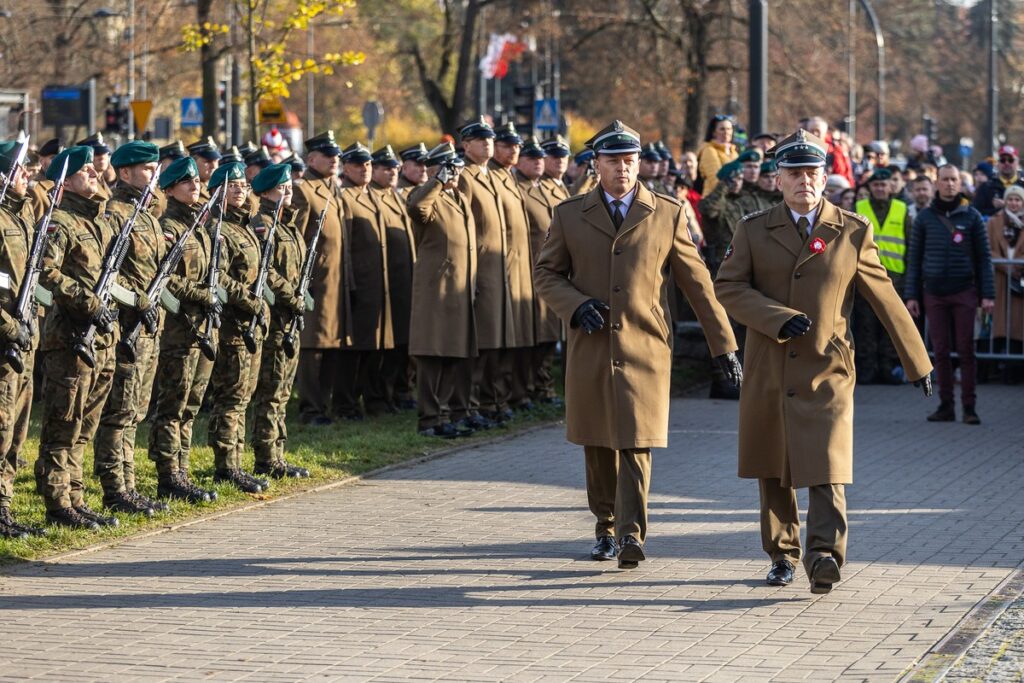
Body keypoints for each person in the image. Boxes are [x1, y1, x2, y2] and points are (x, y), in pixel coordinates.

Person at [715, 129, 933, 594]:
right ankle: (781, 553)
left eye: (812, 173)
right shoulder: (752, 228)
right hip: (769, 366)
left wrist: (918, 361)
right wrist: (775, 318)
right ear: (778, 179)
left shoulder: (851, 229)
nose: (804, 182)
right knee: (773, 465)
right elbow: (728, 287)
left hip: (827, 366)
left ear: (825, 177)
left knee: (827, 464)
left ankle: (825, 555)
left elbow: (884, 295)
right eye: (794, 173)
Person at [534, 120, 739, 570]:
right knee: (597, 444)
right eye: (613, 161)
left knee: (636, 442)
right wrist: (575, 303)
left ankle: (630, 534)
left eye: (630, 160)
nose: (623, 169)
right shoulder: (569, 214)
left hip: (645, 347)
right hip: (590, 346)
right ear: (596, 165)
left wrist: (723, 345)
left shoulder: (666, 212)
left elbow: (698, 284)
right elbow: (546, 273)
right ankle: (605, 524)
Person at [35, 146, 130, 529]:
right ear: (67, 180)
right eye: (85, 171)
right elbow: (45, 272)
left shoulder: (101, 221)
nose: (94, 175)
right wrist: (86, 301)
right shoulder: (59, 221)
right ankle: (58, 503)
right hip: (72, 337)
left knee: (86, 425)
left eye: (94, 170)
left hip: (104, 338)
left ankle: (75, 496)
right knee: (64, 423)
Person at [92, 141, 168, 517]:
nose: (155, 176)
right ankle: (114, 488)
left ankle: (130, 486)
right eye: (148, 170)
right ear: (124, 173)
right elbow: (107, 277)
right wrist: (137, 301)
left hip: (149, 328)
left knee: (136, 411)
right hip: (125, 328)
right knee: (119, 411)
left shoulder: (148, 215)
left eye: (155, 169)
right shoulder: (115, 214)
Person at [148, 156, 221, 504]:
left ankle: (183, 470)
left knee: (191, 405)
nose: (195, 186)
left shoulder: (200, 226)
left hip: (201, 328)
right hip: (179, 330)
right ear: (170, 190)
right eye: (186, 183)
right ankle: (168, 475)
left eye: (196, 181)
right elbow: (166, 277)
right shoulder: (170, 228)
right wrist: (200, 294)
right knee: (172, 405)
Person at [205, 161, 279, 494]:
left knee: (243, 398)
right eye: (231, 185)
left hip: (251, 324)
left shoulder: (245, 226)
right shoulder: (217, 228)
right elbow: (218, 277)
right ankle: (226, 466)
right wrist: (248, 300)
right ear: (216, 191)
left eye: (242, 185)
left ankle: (237, 461)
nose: (239, 189)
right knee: (230, 398)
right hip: (233, 325)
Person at [905, 164, 996, 424]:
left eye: (953, 180)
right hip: (933, 293)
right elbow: (915, 259)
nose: (949, 184)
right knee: (940, 352)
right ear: (937, 182)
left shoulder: (973, 216)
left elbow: (984, 259)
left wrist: (987, 295)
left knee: (967, 350)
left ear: (960, 183)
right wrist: (912, 295)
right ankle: (945, 405)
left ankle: (970, 407)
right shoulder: (924, 218)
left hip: (964, 291)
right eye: (944, 180)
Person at [407, 142, 479, 437]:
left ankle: (447, 415)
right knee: (431, 355)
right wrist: (437, 180)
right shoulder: (426, 194)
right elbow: (417, 208)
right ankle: (429, 418)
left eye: (458, 168)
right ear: (437, 168)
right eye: (451, 168)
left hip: (459, 291)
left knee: (454, 354)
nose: (456, 174)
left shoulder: (459, 198)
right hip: (436, 290)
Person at [249, 164, 311, 478]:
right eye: (281, 188)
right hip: (275, 317)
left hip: (291, 316)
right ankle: (266, 456)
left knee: (284, 390)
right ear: (267, 192)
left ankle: (279, 453)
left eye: (288, 187)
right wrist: (290, 295)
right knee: (271, 389)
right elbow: (266, 271)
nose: (288, 192)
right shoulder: (262, 223)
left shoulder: (288, 225)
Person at [0, 141, 44, 538]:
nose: (27, 175)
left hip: (23, 341)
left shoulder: (22, 217)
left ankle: (5, 507)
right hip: (5, 340)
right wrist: (11, 328)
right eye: (19, 170)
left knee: (16, 430)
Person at [458, 117, 512, 425]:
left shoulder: (490, 175)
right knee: (479, 343)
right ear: (466, 145)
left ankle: (492, 401)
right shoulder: (466, 175)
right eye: (481, 141)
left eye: (490, 140)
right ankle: (473, 404)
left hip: (497, 269)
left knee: (495, 342)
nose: (488, 144)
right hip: (479, 270)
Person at [292, 131, 348, 426]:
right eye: (329, 156)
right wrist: (302, 279)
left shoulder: (332, 189)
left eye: (336, 156)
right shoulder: (304, 190)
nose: (334, 160)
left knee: (330, 346)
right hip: (316, 281)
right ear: (312, 158)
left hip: (335, 281)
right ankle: (311, 410)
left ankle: (323, 406)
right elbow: (297, 239)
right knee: (312, 347)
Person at [488, 122, 536, 412]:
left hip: (517, 269)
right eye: (507, 145)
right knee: (496, 342)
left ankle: (507, 396)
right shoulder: (492, 176)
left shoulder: (508, 177)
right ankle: (493, 399)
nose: (514, 150)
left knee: (513, 340)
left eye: (516, 145)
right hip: (497, 269)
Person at [852, 168, 913, 384]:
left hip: (894, 279)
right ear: (870, 188)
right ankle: (867, 369)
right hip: (865, 277)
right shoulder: (859, 208)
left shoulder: (902, 209)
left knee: (890, 326)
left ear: (890, 187)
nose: (880, 188)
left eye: (883, 185)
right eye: (876, 185)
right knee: (866, 326)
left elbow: (910, 245)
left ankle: (888, 368)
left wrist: (908, 280)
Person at [370, 144, 417, 411]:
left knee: (401, 344)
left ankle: (399, 392)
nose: (392, 172)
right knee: (383, 347)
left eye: (394, 168)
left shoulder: (397, 196)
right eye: (386, 168)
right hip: (382, 282)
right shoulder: (374, 196)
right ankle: (381, 397)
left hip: (402, 282)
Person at [516, 137, 563, 406]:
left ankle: (541, 387)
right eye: (531, 158)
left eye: (539, 158)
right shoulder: (521, 188)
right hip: (531, 269)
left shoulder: (542, 188)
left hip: (551, 270)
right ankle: (526, 389)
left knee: (547, 334)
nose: (537, 162)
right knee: (530, 335)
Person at [986, 184, 1024, 360]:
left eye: (1017, 200)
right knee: (999, 325)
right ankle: (996, 367)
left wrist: (1016, 267)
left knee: (1017, 326)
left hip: (1019, 279)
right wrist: (1006, 266)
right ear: (1005, 201)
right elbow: (987, 248)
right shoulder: (994, 221)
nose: (1014, 203)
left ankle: (1013, 371)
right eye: (1010, 199)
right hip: (999, 278)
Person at [973, 145, 1024, 217]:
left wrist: (1007, 206)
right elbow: (976, 213)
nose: (1006, 163)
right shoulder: (986, 187)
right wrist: (997, 211)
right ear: (998, 163)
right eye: (1003, 160)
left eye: (1010, 160)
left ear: (1017, 163)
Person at [696, 114, 738, 196]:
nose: (726, 132)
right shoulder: (709, 150)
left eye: (729, 129)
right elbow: (715, 179)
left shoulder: (734, 152)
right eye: (722, 129)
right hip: (714, 199)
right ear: (714, 132)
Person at [187, 136, 222, 203]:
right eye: (208, 161)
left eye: (216, 161)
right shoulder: (189, 189)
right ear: (193, 163)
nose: (214, 166)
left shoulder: (221, 188)